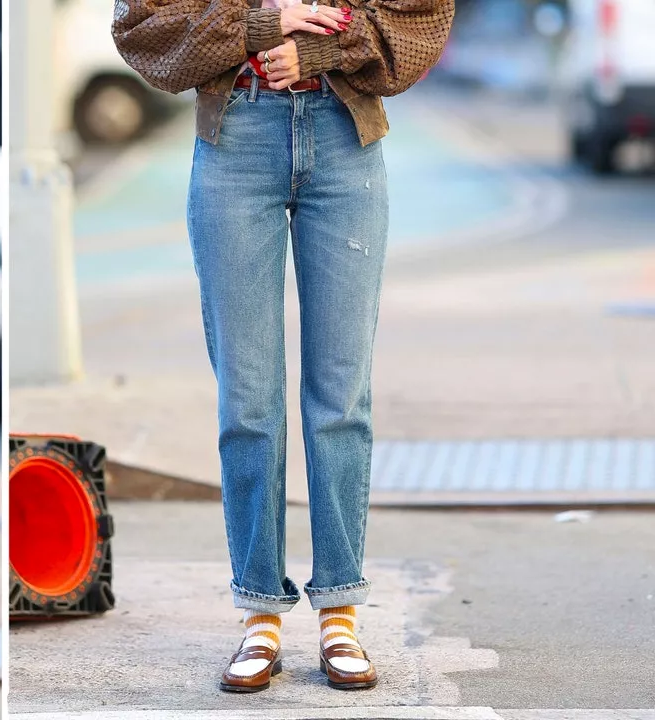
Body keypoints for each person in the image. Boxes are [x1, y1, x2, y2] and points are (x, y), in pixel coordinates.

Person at [113, 0, 454, 694]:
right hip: (236, 138)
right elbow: (140, 26)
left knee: (340, 395)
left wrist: (323, 50)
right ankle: (259, 611)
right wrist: (261, 25)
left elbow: (424, 20)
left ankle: (339, 610)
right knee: (248, 398)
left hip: (343, 138)